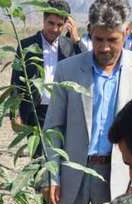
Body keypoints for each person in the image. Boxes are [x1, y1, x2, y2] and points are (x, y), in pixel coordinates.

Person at [42, 0, 132, 204]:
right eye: (98, 38)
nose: (104, 47)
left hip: (119, 175)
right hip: (71, 174)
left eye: (112, 40)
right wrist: (52, 175)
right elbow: (53, 128)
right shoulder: (67, 69)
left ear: (126, 32)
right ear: (89, 30)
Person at [9, 0, 81, 136]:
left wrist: (77, 41)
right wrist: (15, 114)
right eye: (51, 23)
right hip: (35, 113)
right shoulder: (26, 46)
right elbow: (15, 82)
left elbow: (87, 69)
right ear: (43, 20)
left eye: (60, 25)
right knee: (39, 156)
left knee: (61, 156)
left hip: (63, 113)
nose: (54, 29)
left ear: (67, 24)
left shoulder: (70, 47)